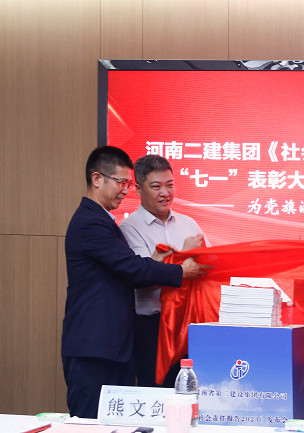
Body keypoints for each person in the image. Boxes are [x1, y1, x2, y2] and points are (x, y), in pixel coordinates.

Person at [62, 146, 209, 419]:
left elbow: (131, 268)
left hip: (113, 344)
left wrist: (158, 262)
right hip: (95, 344)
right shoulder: (91, 223)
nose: (124, 191)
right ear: (97, 179)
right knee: (90, 421)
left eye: (127, 184)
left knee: (118, 419)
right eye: (121, 183)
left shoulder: (102, 220)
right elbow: (132, 268)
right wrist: (180, 270)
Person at [120, 155, 211, 388]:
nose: (165, 193)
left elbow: (208, 269)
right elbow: (142, 276)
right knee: (157, 393)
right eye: (156, 186)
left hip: (191, 325)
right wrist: (183, 259)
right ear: (138, 189)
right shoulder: (129, 228)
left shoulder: (189, 223)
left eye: (170, 185)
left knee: (193, 391)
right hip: (153, 328)